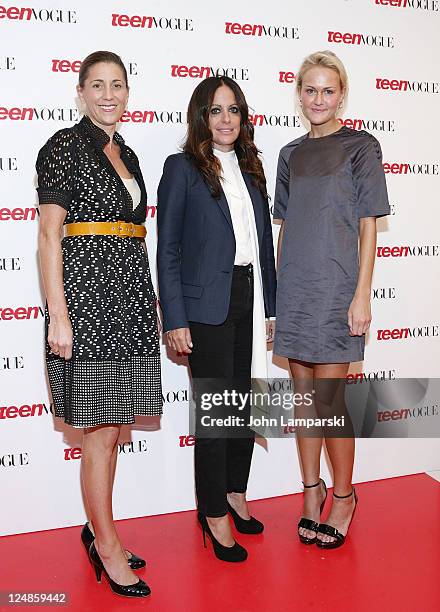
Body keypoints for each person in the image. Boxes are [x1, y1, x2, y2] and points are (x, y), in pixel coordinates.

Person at [37, 51, 162, 596]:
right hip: (86, 305)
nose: (109, 95)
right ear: (81, 91)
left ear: (128, 91)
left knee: (112, 432)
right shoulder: (63, 147)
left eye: (118, 85)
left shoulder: (127, 152)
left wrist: (149, 302)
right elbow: (49, 237)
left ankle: (98, 531)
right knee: (99, 434)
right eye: (98, 85)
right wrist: (57, 315)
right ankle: (107, 547)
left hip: (130, 302)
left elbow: (130, 234)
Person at [157, 76, 276, 562]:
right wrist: (175, 318)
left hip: (249, 295)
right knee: (216, 412)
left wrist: (272, 307)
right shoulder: (181, 169)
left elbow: (263, 245)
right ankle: (212, 512)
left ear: (243, 117)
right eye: (215, 110)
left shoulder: (251, 170)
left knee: (248, 403)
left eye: (234, 110)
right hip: (205, 307)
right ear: (200, 117)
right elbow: (167, 251)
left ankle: (234, 493)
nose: (226, 119)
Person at [274, 50, 390, 549]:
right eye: (310, 89)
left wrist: (362, 294)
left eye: (328, 90)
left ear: (341, 95)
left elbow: (368, 225)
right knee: (304, 402)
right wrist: (276, 302)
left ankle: (343, 496)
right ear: (299, 94)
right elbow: (284, 228)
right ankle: (309, 491)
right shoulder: (289, 154)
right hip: (295, 287)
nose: (318, 99)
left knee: (331, 402)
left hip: (339, 289)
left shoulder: (361, 147)